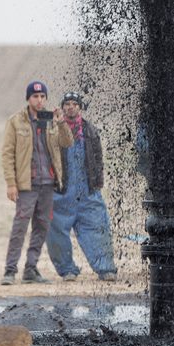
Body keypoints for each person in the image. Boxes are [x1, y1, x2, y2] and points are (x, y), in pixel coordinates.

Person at [0, 81, 73, 285]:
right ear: (28, 99)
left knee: (42, 226)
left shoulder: (51, 120)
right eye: (35, 97)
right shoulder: (16, 122)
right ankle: (9, 270)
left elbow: (67, 143)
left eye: (42, 97)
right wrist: (11, 183)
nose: (39, 100)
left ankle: (30, 269)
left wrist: (61, 122)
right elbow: (7, 154)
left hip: (47, 183)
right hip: (27, 184)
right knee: (20, 227)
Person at [46, 92, 118, 282]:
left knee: (97, 226)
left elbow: (98, 159)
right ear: (62, 108)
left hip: (87, 190)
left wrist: (97, 182)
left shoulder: (90, 130)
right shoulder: (53, 130)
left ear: (80, 107)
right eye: (67, 104)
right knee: (56, 230)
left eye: (74, 104)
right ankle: (67, 270)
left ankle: (105, 269)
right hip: (62, 191)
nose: (70, 107)